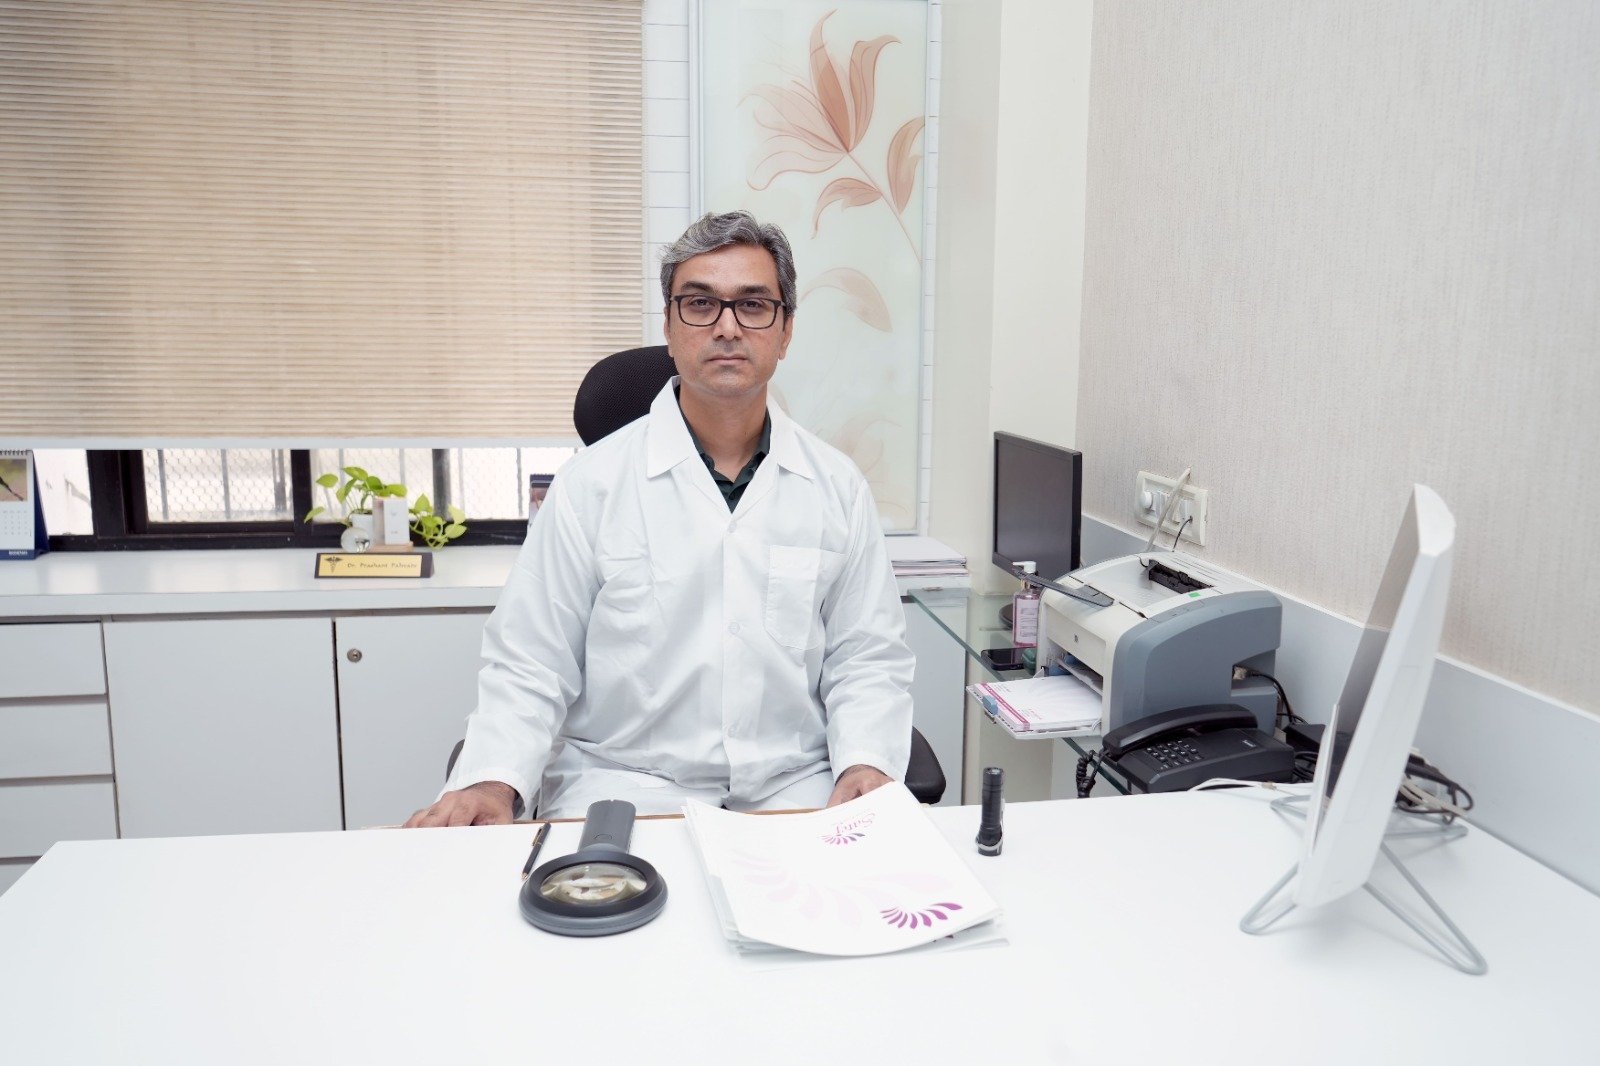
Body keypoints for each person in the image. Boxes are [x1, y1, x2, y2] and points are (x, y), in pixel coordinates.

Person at [405, 211, 913, 827]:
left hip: (793, 784)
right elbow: (531, 659)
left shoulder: (836, 486)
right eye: (700, 304)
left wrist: (865, 761)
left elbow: (867, 656)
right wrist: (493, 781)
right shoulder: (590, 485)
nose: (727, 327)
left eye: (754, 305)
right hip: (623, 783)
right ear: (670, 328)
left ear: (785, 333)